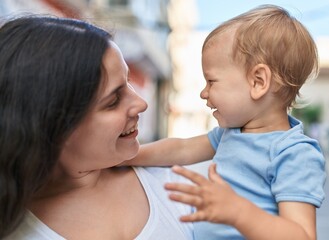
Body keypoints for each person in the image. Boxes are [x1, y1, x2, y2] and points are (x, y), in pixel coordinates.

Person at [128, 4, 326, 240]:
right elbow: (181, 149)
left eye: (211, 81)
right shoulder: (231, 133)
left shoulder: (294, 153)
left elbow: (302, 235)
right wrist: (129, 156)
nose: (204, 92)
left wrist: (237, 211)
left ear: (258, 82)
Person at [0, 15, 193, 239]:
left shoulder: (172, 182)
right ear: (54, 125)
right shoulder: (11, 228)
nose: (141, 104)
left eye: (128, 82)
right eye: (112, 101)